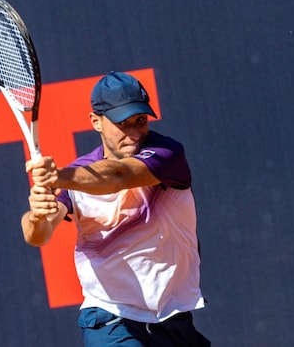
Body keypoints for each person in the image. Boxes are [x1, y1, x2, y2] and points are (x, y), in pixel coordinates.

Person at [21, 72, 210, 346]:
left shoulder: (168, 154)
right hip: (111, 320)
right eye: (122, 124)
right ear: (95, 121)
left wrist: (59, 177)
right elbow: (37, 235)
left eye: (140, 121)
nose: (134, 134)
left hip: (174, 319)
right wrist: (38, 216)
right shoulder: (74, 178)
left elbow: (119, 175)